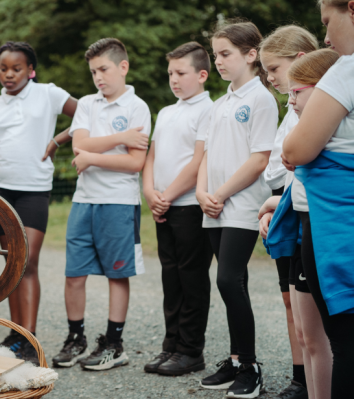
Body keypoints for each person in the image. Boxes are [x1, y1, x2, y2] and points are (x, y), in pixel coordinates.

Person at [282, 1, 354, 396]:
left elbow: (294, 151)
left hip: (345, 233)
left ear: (353, 9)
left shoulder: (352, 69)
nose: (325, 37)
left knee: (353, 345)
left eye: (327, 22)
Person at [0, 41, 78, 365]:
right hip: (1, 194)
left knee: (27, 263)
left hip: (33, 191)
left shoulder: (48, 93)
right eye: (4, 68)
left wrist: (59, 139)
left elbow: (89, 113)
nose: (9, 74)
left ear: (30, 70)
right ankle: (15, 334)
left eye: (16, 69)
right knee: (11, 266)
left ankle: (30, 342)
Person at [50, 38, 150, 371]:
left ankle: (114, 344)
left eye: (103, 69)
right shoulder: (87, 105)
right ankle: (75, 338)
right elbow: (80, 144)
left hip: (118, 203)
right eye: (93, 72)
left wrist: (93, 155)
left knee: (116, 275)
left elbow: (135, 164)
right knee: (74, 274)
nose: (98, 78)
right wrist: (120, 139)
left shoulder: (138, 107)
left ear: (123, 67)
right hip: (84, 201)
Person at [196, 21, 278, 398]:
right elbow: (207, 154)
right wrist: (202, 193)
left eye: (225, 53)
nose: (219, 61)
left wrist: (222, 193)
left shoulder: (260, 99)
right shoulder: (219, 104)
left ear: (251, 54)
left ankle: (251, 366)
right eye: (215, 55)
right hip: (212, 206)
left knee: (229, 280)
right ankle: (234, 359)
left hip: (242, 205)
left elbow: (260, 159)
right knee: (231, 285)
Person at [260, 48, 339, 399]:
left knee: (321, 340)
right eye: (288, 92)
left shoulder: (329, 131)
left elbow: (292, 161)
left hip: (319, 233)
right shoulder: (300, 120)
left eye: (297, 91)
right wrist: (276, 205)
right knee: (306, 335)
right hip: (300, 232)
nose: (289, 99)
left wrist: (276, 203)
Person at [141, 42, 214, 376]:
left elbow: (199, 161)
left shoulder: (207, 110)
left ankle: (190, 350)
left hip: (189, 207)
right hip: (163, 206)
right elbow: (152, 156)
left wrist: (167, 195)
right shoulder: (167, 112)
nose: (173, 79)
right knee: (171, 278)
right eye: (170, 72)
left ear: (201, 75)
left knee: (191, 279)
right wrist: (150, 193)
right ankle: (170, 346)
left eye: (180, 73)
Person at [256, 25, 319, 399]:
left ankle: (311, 381)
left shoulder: (310, 107)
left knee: (306, 302)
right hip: (284, 202)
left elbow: (290, 162)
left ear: (298, 61)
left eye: (274, 69)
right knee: (289, 297)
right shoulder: (290, 108)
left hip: (299, 205)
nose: (269, 77)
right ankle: (301, 376)